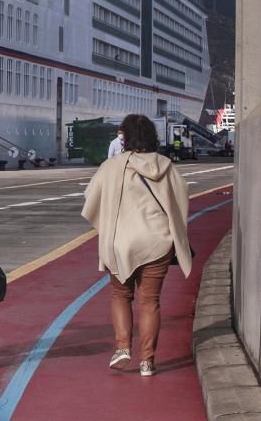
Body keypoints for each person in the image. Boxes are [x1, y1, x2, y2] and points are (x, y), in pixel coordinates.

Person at [81, 113, 192, 377]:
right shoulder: (166, 165)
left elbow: (90, 201)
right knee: (150, 301)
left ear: (125, 137)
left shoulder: (112, 167)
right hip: (157, 241)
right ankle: (147, 362)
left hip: (121, 244)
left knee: (121, 296)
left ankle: (122, 348)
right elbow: (181, 200)